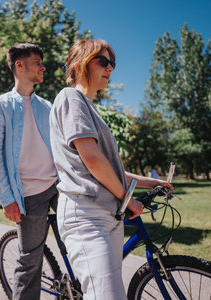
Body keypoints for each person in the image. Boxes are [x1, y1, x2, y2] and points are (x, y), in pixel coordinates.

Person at [49, 39, 173, 300]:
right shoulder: (70, 97)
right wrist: (126, 199)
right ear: (81, 62)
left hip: (106, 214)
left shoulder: (90, 108)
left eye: (112, 63)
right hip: (86, 215)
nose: (110, 68)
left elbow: (107, 168)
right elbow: (92, 160)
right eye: (102, 61)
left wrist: (149, 182)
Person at [0, 43, 58, 300]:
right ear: (19, 65)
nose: (42, 66)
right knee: (30, 263)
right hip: (29, 195)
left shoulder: (47, 106)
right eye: (37, 61)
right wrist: (7, 199)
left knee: (83, 244)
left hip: (58, 188)